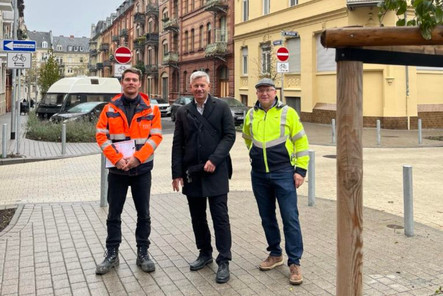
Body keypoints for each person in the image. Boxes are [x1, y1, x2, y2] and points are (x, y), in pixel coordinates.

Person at [242, 78, 309, 285]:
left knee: (290, 217)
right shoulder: (251, 114)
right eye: (261, 91)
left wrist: (300, 170)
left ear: (275, 92)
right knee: (266, 217)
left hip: (283, 173)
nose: (264, 94)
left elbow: (301, 141)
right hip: (260, 174)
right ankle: (275, 253)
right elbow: (246, 137)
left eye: (268, 90)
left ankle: (295, 262)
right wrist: (255, 154)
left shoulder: (288, 112)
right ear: (257, 94)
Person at [95, 68, 163, 275]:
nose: (131, 83)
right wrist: (117, 160)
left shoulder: (152, 109)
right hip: (117, 172)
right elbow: (101, 136)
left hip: (141, 170)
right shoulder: (109, 108)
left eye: (134, 80)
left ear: (140, 83)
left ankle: (143, 253)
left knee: (144, 214)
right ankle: (112, 254)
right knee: (114, 214)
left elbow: (156, 137)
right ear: (122, 83)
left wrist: (137, 159)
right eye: (127, 80)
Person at [171, 71, 235, 284]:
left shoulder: (222, 107)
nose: (199, 89)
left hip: (216, 171)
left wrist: (215, 159)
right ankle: (205, 253)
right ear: (191, 88)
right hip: (193, 173)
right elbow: (177, 144)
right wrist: (176, 173)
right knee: (197, 217)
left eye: (203, 85)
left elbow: (229, 136)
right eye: (195, 85)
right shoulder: (183, 112)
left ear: (209, 86)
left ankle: (224, 259)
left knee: (220, 217)